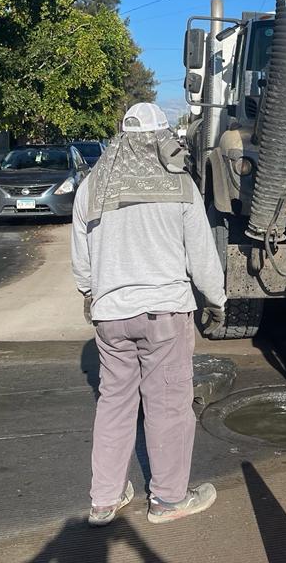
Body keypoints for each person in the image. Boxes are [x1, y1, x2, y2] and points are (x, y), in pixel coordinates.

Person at [71, 102, 228, 527]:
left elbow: (81, 260)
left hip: (110, 316)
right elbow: (202, 255)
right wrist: (216, 300)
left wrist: (91, 292)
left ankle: (104, 500)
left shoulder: (92, 187)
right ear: (161, 139)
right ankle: (168, 500)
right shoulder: (179, 184)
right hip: (165, 314)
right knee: (168, 406)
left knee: (114, 404)